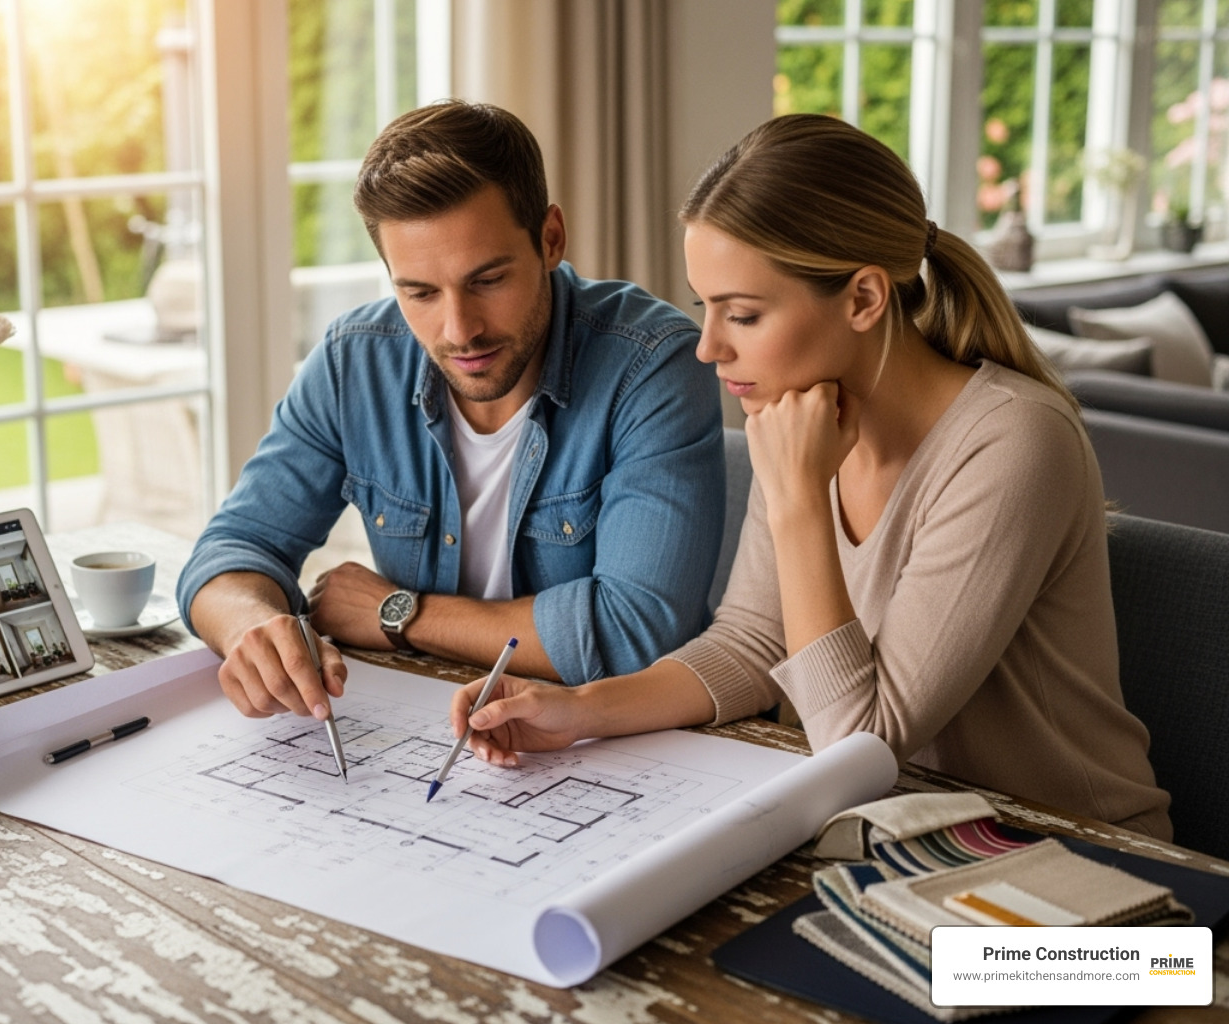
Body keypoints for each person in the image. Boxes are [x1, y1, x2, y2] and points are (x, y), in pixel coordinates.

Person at [448, 113, 1171, 838]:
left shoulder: (1014, 442)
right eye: (708, 309)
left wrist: (798, 501)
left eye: (745, 315)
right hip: (908, 840)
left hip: (1080, 871)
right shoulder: (802, 413)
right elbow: (752, 645)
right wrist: (577, 710)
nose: (708, 348)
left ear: (862, 298)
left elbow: (860, 743)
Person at [177, 100, 725, 722]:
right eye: (420, 292)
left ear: (550, 239)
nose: (460, 330)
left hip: (616, 742)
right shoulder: (353, 362)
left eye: (487, 280)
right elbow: (232, 550)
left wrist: (400, 613)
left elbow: (635, 632)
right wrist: (254, 624)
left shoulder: (653, 363)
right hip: (422, 731)